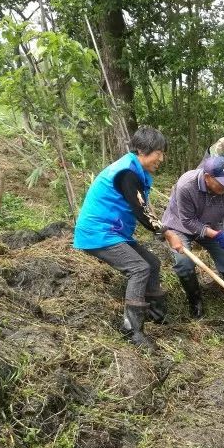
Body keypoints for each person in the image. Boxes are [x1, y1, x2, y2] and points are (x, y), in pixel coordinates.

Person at [74, 127, 182, 352]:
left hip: (114, 231)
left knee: (152, 263)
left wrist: (163, 230)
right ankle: (132, 329)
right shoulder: (127, 173)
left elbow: (143, 208)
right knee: (139, 268)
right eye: (158, 152)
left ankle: (156, 314)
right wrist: (168, 233)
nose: (161, 158)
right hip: (99, 232)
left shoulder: (133, 169)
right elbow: (142, 212)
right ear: (142, 150)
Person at [162, 156, 224, 334]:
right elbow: (188, 221)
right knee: (184, 263)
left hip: (212, 225)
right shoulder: (186, 185)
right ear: (207, 177)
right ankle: (195, 302)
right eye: (221, 183)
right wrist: (217, 235)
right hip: (180, 226)